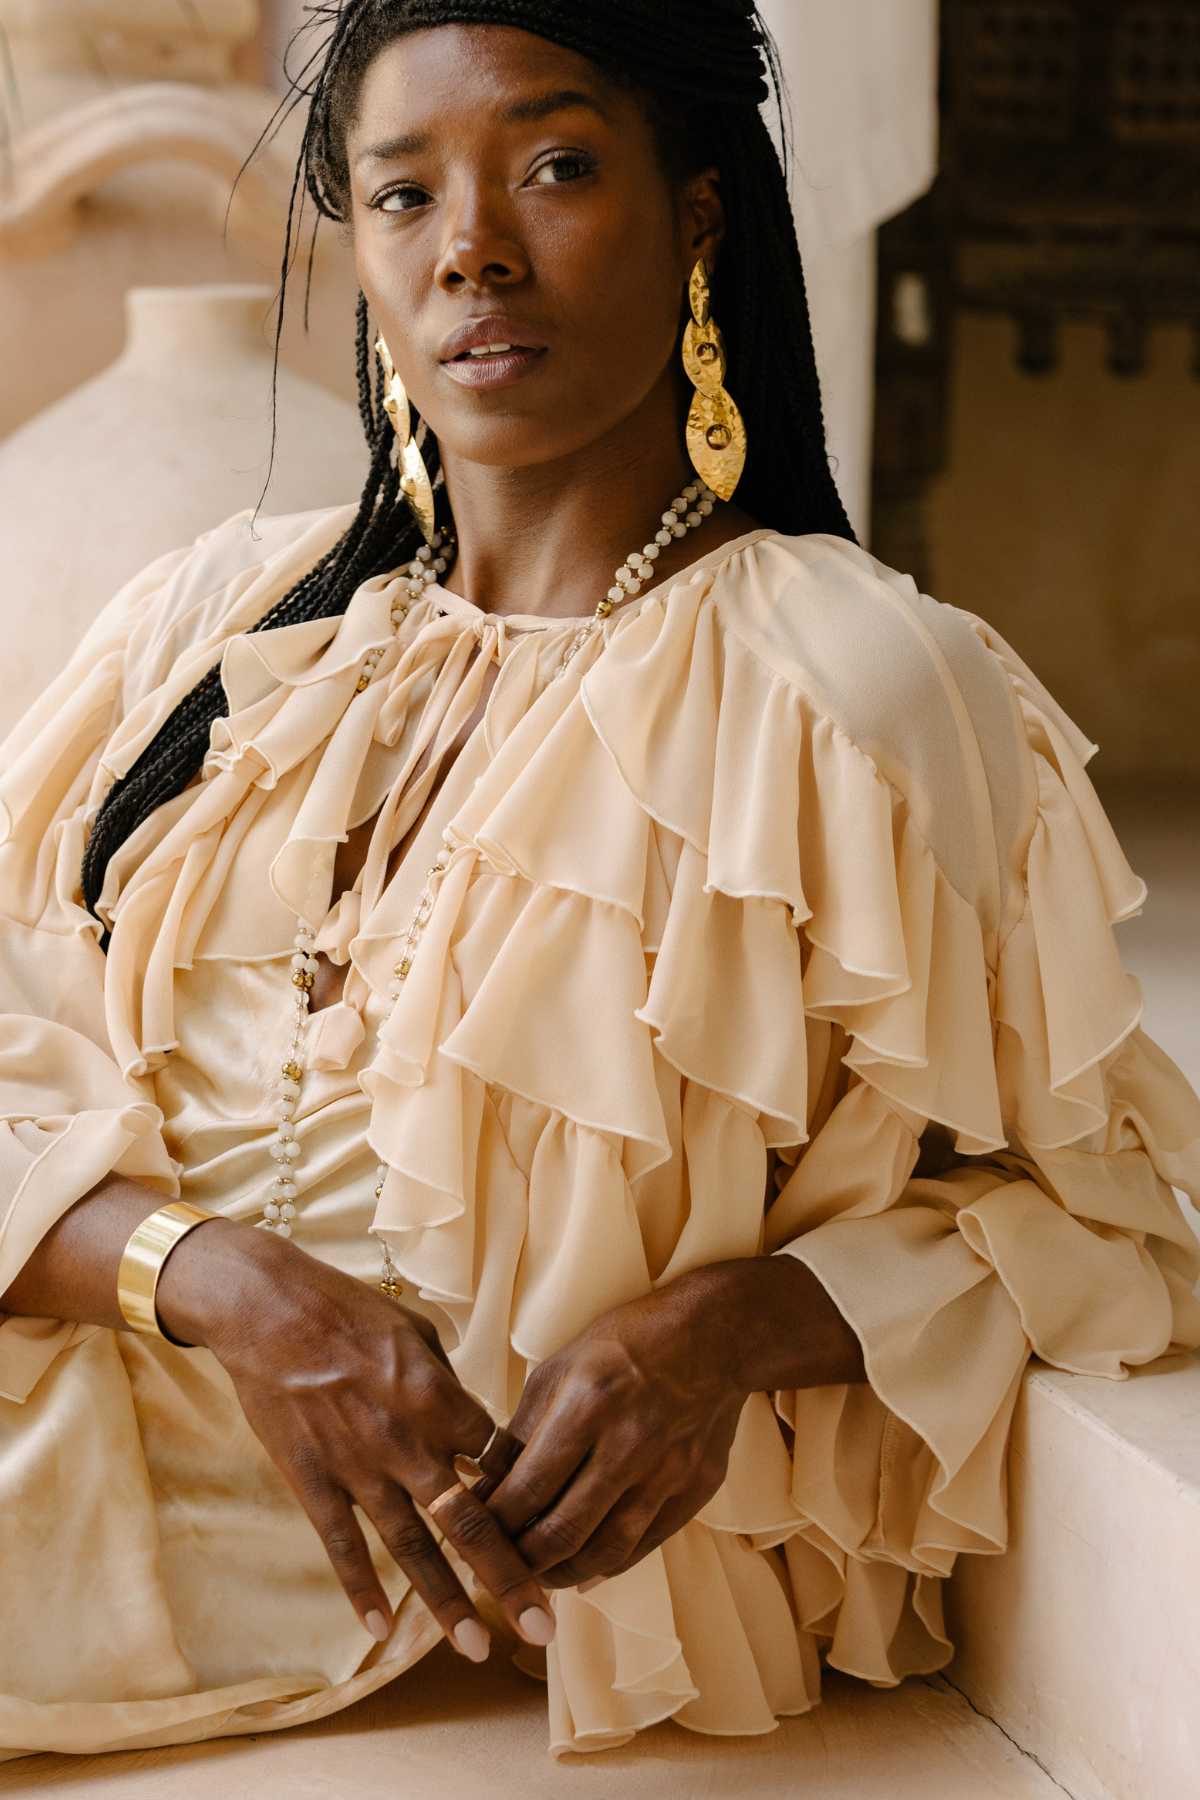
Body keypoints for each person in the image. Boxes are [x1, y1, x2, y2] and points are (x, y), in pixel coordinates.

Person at [1, 0, 1198, 1767]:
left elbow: (1117, 1216)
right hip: (71, 1409)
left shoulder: (848, 690)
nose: (471, 246)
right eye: (404, 197)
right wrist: (214, 1280)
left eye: (555, 169)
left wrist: (725, 1333)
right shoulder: (218, 629)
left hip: (363, 1560)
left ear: (698, 212)